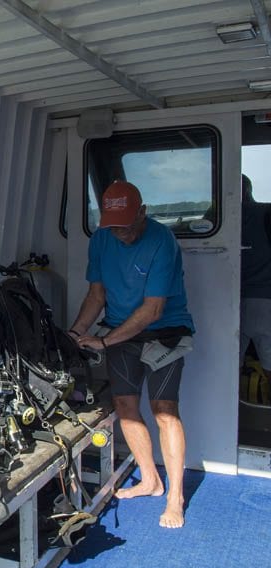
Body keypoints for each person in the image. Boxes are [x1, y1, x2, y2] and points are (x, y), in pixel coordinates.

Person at [68, 180, 195, 529]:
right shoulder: (102, 239)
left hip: (165, 333)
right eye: (113, 224)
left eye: (126, 223)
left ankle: (175, 497)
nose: (120, 232)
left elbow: (153, 309)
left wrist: (105, 342)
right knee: (125, 407)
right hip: (121, 330)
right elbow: (97, 294)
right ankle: (151, 481)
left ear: (143, 212)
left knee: (164, 411)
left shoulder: (161, 241)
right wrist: (78, 332)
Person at [240, 174, 271, 378]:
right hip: (266, 299)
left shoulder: (213, 215)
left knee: (231, 361)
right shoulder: (267, 212)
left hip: (231, 302)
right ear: (250, 190)